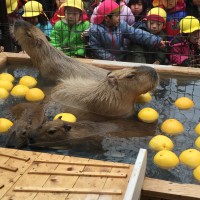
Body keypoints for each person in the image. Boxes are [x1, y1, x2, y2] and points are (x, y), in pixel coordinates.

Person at [89, 0, 166, 61]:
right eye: (116, 16)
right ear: (106, 18)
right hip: (104, 62)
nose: (119, 17)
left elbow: (137, 34)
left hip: (122, 59)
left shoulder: (121, 25)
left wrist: (155, 40)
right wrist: (111, 58)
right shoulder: (95, 30)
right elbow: (96, 48)